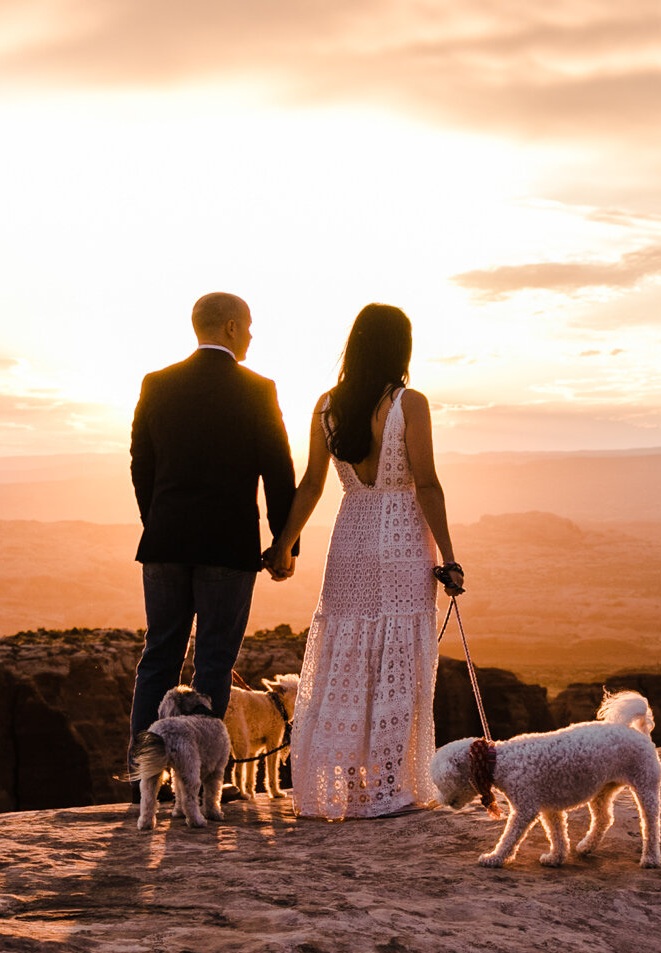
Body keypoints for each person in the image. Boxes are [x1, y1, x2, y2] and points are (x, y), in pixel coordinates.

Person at [267, 303, 464, 818]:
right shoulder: (409, 404)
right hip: (401, 543)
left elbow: (312, 484)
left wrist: (284, 544)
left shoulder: (327, 406)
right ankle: (389, 788)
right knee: (397, 662)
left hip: (350, 536)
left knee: (348, 660)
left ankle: (349, 785)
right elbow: (427, 484)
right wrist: (450, 557)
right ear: (401, 347)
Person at [126, 292, 297, 761]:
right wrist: (284, 544)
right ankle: (200, 780)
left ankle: (145, 771)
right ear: (229, 328)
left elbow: (142, 464)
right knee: (214, 663)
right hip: (228, 547)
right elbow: (279, 471)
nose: (251, 335)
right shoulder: (257, 389)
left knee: (158, 658)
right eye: (248, 326)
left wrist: (157, 521)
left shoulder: (156, 383)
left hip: (164, 543)